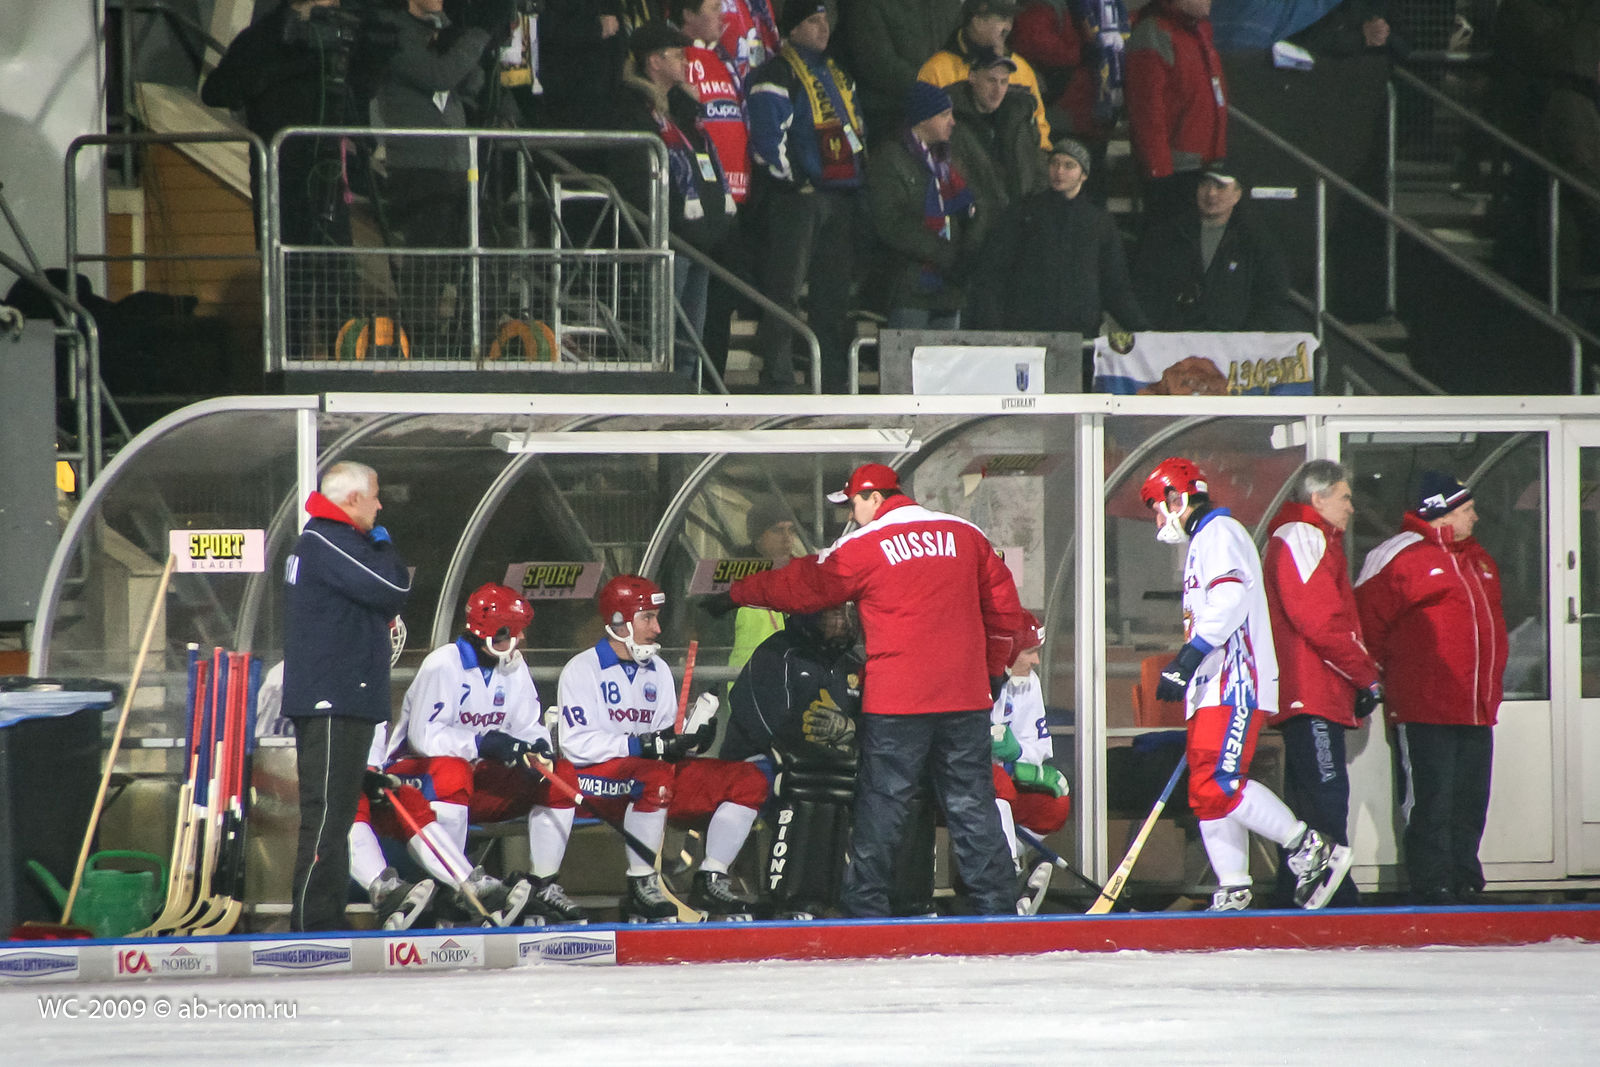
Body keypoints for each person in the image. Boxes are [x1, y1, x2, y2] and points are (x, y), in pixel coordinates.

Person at [727, 462, 1030, 916]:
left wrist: (738, 591)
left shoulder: (866, 545)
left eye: (854, 504)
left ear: (873, 497)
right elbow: (1005, 614)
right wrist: (989, 673)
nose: (853, 515)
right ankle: (997, 908)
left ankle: (867, 908)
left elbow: (806, 585)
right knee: (972, 803)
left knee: (885, 804)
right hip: (965, 699)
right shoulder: (966, 535)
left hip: (897, 702)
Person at [1140, 456, 1349, 911]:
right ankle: (1233, 886)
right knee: (1206, 792)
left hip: (1235, 681)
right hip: (1214, 685)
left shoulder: (1219, 532)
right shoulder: (1205, 539)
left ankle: (1310, 847)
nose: (1158, 520)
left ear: (1176, 498)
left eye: (1157, 508)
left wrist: (1188, 658)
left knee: (1218, 782)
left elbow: (1231, 597)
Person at [557, 575, 770, 920]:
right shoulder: (581, 669)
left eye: (656, 618)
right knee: (654, 775)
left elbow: (664, 742)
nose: (657, 628)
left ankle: (711, 879)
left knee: (748, 779)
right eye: (647, 618)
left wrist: (690, 740)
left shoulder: (657, 669)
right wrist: (640, 745)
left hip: (652, 780)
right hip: (596, 781)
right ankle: (642, 884)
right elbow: (576, 745)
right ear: (618, 621)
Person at [383, 582, 589, 924]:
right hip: (416, 783)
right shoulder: (443, 664)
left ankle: (542, 885)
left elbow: (527, 725)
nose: (521, 639)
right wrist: (481, 743)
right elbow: (424, 738)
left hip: (475, 782)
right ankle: (453, 890)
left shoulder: (513, 665)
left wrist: (537, 747)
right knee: (453, 772)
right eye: (514, 632)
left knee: (559, 774)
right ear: (493, 633)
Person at [1355, 471, 1507, 905]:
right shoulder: (1397, 557)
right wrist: (1371, 682)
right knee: (1431, 801)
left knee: (1469, 800)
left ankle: (1464, 880)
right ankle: (1432, 884)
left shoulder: (1478, 558)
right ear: (1441, 513)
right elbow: (1366, 627)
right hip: (1424, 706)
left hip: (1476, 706)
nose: (1475, 517)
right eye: (1467, 509)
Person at [281, 461, 412, 931]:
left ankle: (324, 918)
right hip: (332, 701)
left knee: (335, 817)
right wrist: (383, 543)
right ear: (352, 499)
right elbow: (394, 586)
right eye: (374, 496)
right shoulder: (328, 540)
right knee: (326, 816)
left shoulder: (327, 541)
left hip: (342, 699)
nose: (380, 506)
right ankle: (312, 923)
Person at [201, 0, 367, 357]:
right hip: (280, 180)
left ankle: (345, 369)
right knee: (288, 282)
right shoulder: (263, 37)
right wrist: (288, 63)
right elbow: (216, 91)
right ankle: (288, 365)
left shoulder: (340, 39)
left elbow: (357, 95)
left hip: (327, 178)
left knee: (338, 280)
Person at [1262, 460, 1382, 909]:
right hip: (1311, 690)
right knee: (1325, 796)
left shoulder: (1309, 537)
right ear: (1318, 497)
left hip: (1311, 690)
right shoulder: (1304, 535)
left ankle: (1295, 893)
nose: (1352, 507)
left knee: (1307, 797)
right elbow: (1320, 621)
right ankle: (1334, 894)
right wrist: (1365, 675)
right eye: (1345, 497)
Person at [373, 0, 515, 358]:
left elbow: (470, 83)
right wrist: (477, 34)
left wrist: (475, 42)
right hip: (418, 167)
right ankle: (420, 346)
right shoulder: (390, 32)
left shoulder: (447, 30)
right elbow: (439, 76)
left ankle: (472, 340)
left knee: (494, 246)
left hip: (457, 166)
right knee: (428, 260)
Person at [746, 1, 868, 392]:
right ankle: (778, 375)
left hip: (840, 196)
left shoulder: (837, 73)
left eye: (825, 20)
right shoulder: (776, 72)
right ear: (793, 28)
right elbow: (767, 139)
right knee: (785, 289)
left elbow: (855, 131)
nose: (823, 28)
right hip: (798, 199)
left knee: (832, 297)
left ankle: (831, 379)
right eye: (813, 21)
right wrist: (795, 180)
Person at [612, 20, 738, 381]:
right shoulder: (632, 109)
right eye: (678, 55)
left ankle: (685, 403)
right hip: (668, 240)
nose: (686, 62)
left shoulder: (681, 107)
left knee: (689, 345)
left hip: (698, 240)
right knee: (663, 341)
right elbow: (635, 177)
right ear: (654, 61)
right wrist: (669, 223)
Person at [725, 605, 863, 917]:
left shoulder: (853, 665)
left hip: (830, 768)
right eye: (834, 614)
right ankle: (787, 895)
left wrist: (852, 729)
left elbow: (872, 727)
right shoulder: (776, 655)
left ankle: (852, 893)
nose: (844, 622)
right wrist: (810, 746)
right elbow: (767, 727)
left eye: (848, 614)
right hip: (762, 761)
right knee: (802, 784)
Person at [968, 137, 1148, 335]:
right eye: (1055, 163)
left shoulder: (1099, 222)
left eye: (1069, 165)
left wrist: (1142, 330)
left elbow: (1115, 285)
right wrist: (992, 328)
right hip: (1028, 330)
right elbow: (994, 272)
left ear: (1084, 174)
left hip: (1080, 333)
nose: (1059, 171)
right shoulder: (1024, 212)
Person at [867, 81, 995, 330]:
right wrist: (944, 254)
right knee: (908, 355)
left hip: (950, 288)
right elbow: (891, 223)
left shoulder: (948, 159)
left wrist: (967, 252)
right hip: (910, 288)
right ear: (923, 118)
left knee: (946, 355)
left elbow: (975, 206)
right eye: (945, 115)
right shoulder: (890, 158)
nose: (953, 122)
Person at [1130, 162, 1297, 332]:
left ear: (1237, 194)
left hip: (1236, 343)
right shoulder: (1165, 236)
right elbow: (1145, 289)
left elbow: (1272, 296)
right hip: (1174, 339)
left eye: (1220, 186)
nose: (1211, 193)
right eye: (1205, 184)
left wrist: (1246, 338)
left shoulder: (1255, 241)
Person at [1124, 0, 1227, 225]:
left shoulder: (1198, 30)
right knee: (1171, 237)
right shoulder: (1154, 33)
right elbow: (1147, 111)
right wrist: (1158, 170)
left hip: (1205, 162)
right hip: (1174, 171)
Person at [989, 612, 1071, 874]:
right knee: (998, 784)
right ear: (1005, 650)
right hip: (954, 783)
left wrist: (1017, 756)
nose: (1036, 661)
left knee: (1053, 806)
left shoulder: (1028, 682)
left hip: (1000, 780)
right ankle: (1002, 877)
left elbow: (1038, 746)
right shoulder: (968, 674)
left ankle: (985, 873)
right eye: (1030, 652)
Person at [918, 0, 1053, 149]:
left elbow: (1040, 131)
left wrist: (1047, 156)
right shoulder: (937, 69)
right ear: (978, 21)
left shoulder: (1022, 70)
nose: (1008, 27)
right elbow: (923, 133)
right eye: (1002, 18)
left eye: (1010, 20)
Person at [847, 0, 965, 148]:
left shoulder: (948, 5)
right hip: (889, 116)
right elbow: (876, 62)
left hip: (946, 110)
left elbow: (960, 47)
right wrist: (931, 87)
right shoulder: (869, 5)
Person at [949, 49, 1047, 208]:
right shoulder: (951, 122)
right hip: (979, 215)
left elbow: (1039, 170)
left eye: (1004, 82)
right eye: (991, 80)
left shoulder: (1021, 116)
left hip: (1023, 215)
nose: (998, 90)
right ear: (972, 77)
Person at [726, 500, 804, 688]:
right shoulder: (734, 582)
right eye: (778, 530)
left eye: (791, 530)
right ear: (758, 537)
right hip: (744, 690)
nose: (787, 538)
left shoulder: (801, 579)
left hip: (792, 686)